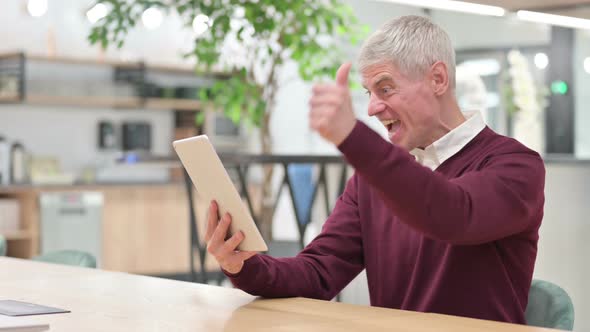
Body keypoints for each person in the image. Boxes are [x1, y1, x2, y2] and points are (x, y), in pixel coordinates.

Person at [204, 15, 545, 324]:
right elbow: (319, 271)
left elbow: (452, 214)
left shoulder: (516, 166)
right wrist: (245, 265)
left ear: (438, 79)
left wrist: (353, 137)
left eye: (385, 88)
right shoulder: (373, 181)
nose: (371, 108)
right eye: (368, 92)